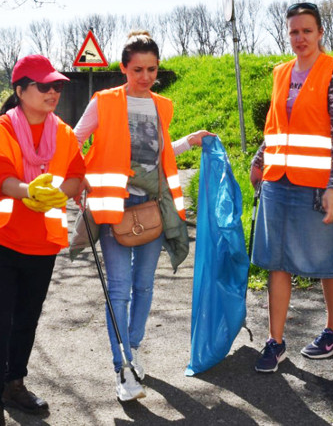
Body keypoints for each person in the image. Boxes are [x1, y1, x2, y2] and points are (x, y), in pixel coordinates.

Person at [73, 31, 213, 402]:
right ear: (123, 68)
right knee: (118, 289)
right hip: (113, 208)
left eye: (152, 69)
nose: (146, 76)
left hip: (152, 209)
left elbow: (160, 153)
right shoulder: (103, 102)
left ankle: (130, 349)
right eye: (138, 69)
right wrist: (77, 182)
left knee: (145, 286)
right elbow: (73, 141)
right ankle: (123, 366)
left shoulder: (162, 106)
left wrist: (190, 140)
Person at [0, 54, 85, 426]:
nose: (53, 92)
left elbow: (75, 175)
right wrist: (28, 190)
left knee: (26, 320)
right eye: (44, 85)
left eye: (57, 86)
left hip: (42, 243)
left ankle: (13, 385)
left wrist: (61, 192)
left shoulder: (64, 133)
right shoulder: (1, 129)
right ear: (20, 91)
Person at [249, 2, 333, 373]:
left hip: (321, 186)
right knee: (277, 262)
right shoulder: (281, 73)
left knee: (329, 261)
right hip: (279, 182)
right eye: (294, 31)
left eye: (307, 31)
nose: (300, 38)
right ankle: (275, 342)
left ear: (320, 33)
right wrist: (260, 160)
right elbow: (275, 125)